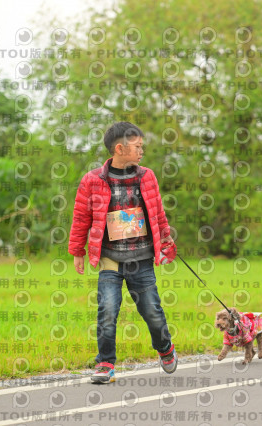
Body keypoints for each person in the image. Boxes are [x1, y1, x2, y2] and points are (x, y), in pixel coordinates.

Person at [68, 121, 179, 382]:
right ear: (119, 149)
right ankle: (105, 363)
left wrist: (165, 238)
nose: (142, 151)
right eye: (137, 146)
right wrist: (77, 250)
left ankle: (165, 347)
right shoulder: (93, 180)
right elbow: (81, 217)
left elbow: (157, 211)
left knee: (152, 312)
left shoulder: (147, 176)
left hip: (142, 259)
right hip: (110, 258)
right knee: (107, 310)